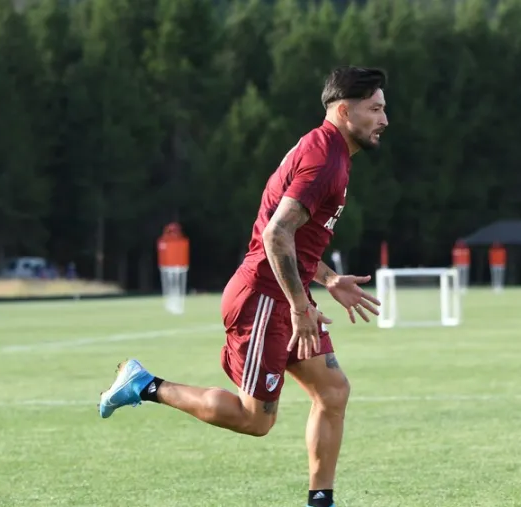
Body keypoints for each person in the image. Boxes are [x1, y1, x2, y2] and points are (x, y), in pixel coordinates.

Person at [98, 66, 389, 507]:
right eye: (376, 109)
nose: (384, 119)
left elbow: (294, 237)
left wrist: (328, 279)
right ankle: (144, 384)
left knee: (333, 392)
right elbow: (275, 235)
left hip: (282, 297)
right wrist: (298, 306)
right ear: (345, 111)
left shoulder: (328, 150)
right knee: (255, 420)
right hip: (264, 301)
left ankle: (321, 500)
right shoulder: (325, 159)